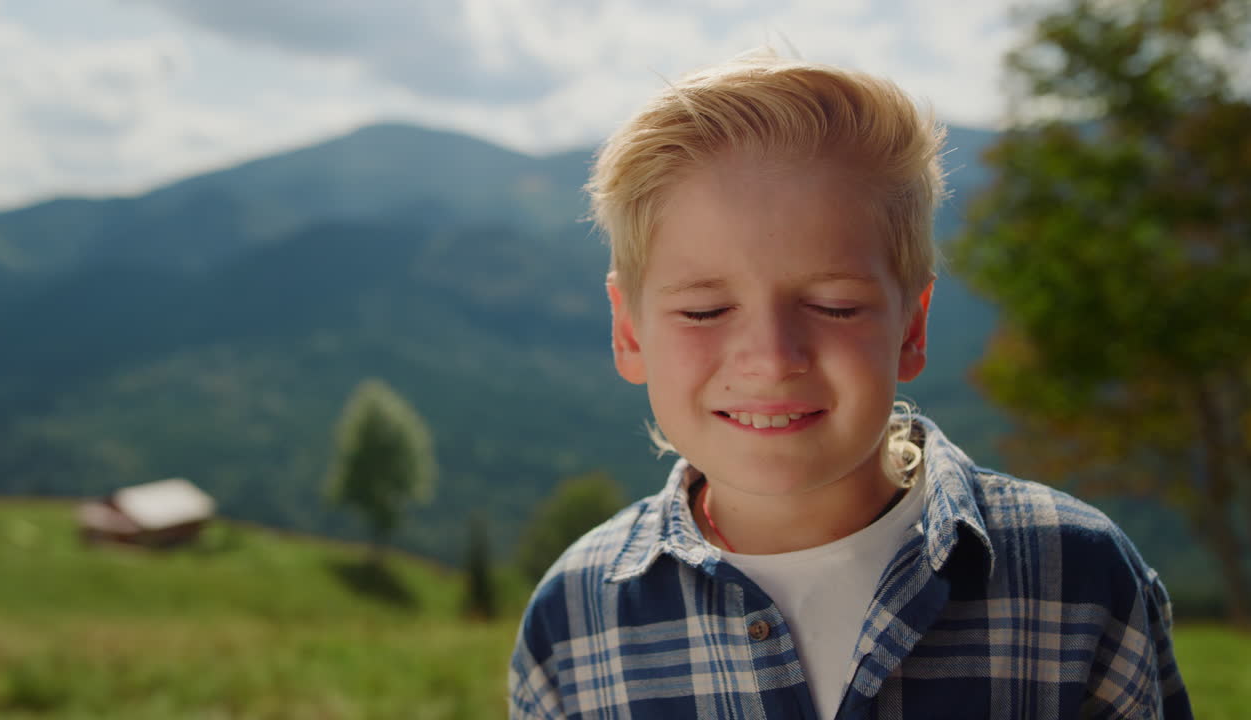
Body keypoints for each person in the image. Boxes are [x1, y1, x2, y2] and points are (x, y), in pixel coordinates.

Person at [509, 51, 1192, 719]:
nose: (772, 359)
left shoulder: (1076, 581)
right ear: (629, 331)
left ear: (911, 328)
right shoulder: (573, 621)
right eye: (704, 311)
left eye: (834, 306)